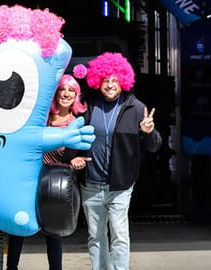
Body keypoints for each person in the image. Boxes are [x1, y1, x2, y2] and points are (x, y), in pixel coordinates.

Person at [79, 52, 162, 270]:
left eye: (115, 80)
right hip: (91, 184)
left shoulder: (135, 108)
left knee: (119, 235)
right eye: (106, 80)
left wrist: (148, 132)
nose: (110, 85)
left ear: (123, 82)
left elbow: (154, 146)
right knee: (95, 237)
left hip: (121, 186)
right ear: (98, 81)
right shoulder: (88, 105)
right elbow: (74, 137)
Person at [6, 74, 90, 270]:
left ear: (76, 96)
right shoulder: (41, 118)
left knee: (53, 233)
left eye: (71, 90)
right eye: (63, 89)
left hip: (54, 185)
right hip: (29, 181)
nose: (66, 93)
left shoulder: (77, 124)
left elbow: (81, 152)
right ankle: (11, 267)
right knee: (18, 227)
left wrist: (75, 160)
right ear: (56, 93)